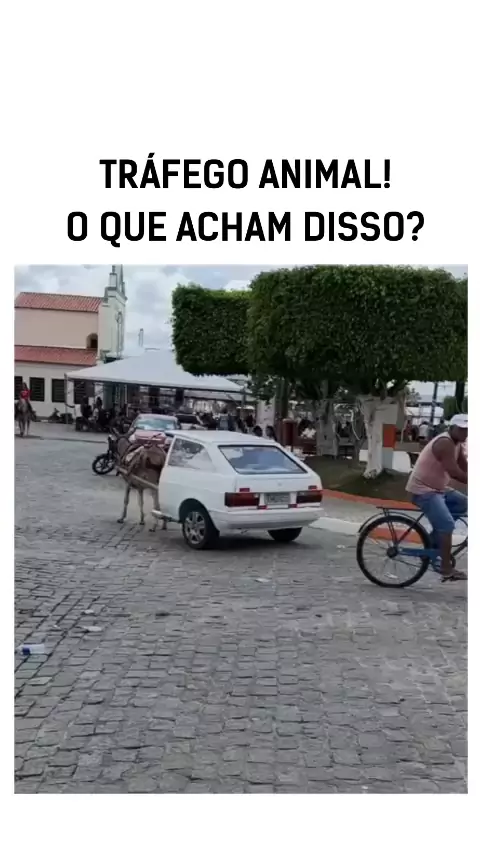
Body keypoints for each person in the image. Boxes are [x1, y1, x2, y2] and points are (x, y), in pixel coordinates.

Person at [406, 414, 468, 582]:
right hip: (424, 490)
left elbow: (465, 466)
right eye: (462, 429)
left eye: (468, 430)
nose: (465, 433)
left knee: (463, 503)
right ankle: (446, 568)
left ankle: (433, 543)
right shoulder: (445, 443)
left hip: (438, 489)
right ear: (452, 428)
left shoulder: (457, 443)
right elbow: (454, 472)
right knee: (447, 524)